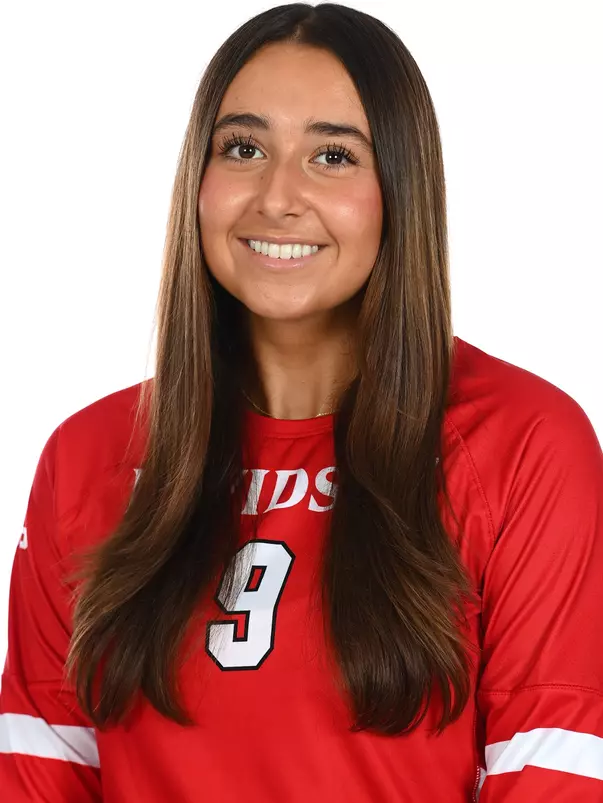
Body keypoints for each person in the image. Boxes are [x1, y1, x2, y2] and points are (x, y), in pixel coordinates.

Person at [1, 3, 602, 801]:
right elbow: (39, 774)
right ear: (198, 180)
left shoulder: (522, 443)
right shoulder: (89, 455)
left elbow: (553, 776)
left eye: (332, 155)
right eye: (242, 148)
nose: (277, 198)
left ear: (399, 187)